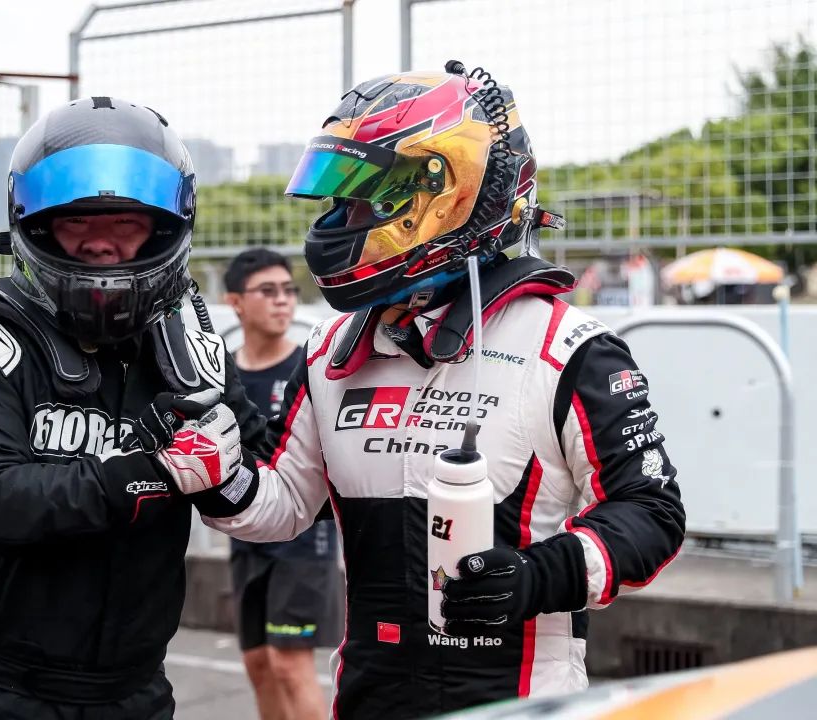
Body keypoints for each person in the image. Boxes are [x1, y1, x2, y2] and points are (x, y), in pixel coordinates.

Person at [146, 63, 687, 718]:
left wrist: (539, 576)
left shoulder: (569, 347)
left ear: (444, 190)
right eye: (337, 199)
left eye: (361, 199)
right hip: (370, 696)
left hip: (520, 702)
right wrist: (217, 477)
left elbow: (651, 511)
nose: (338, 219)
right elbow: (285, 502)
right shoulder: (331, 350)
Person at [0, 97, 268, 719]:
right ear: (38, 227)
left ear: (164, 228)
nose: (101, 243)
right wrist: (155, 471)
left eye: (125, 222)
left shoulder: (191, 353)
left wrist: (229, 473)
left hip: (132, 689)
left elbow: (271, 476)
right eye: (78, 221)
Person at [223, 248, 342, 720]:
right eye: (267, 291)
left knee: (289, 664)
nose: (282, 300)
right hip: (247, 540)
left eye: (289, 291)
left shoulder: (308, 368)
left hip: (304, 542)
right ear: (235, 302)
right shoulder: (222, 373)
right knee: (258, 664)